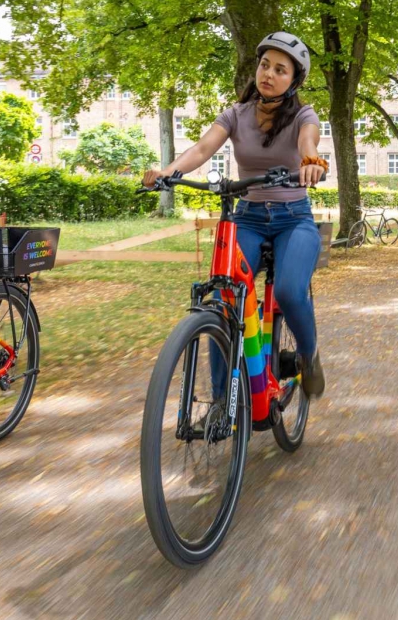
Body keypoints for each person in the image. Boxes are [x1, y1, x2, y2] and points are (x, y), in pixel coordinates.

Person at [140, 32, 328, 396]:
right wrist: (168, 171)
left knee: (290, 290)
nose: (268, 74)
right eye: (264, 65)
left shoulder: (304, 114)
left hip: (294, 218)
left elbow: (309, 141)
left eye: (280, 69)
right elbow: (202, 148)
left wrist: (311, 161)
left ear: (294, 80)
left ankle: (310, 355)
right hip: (249, 217)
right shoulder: (235, 114)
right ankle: (222, 400)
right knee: (226, 297)